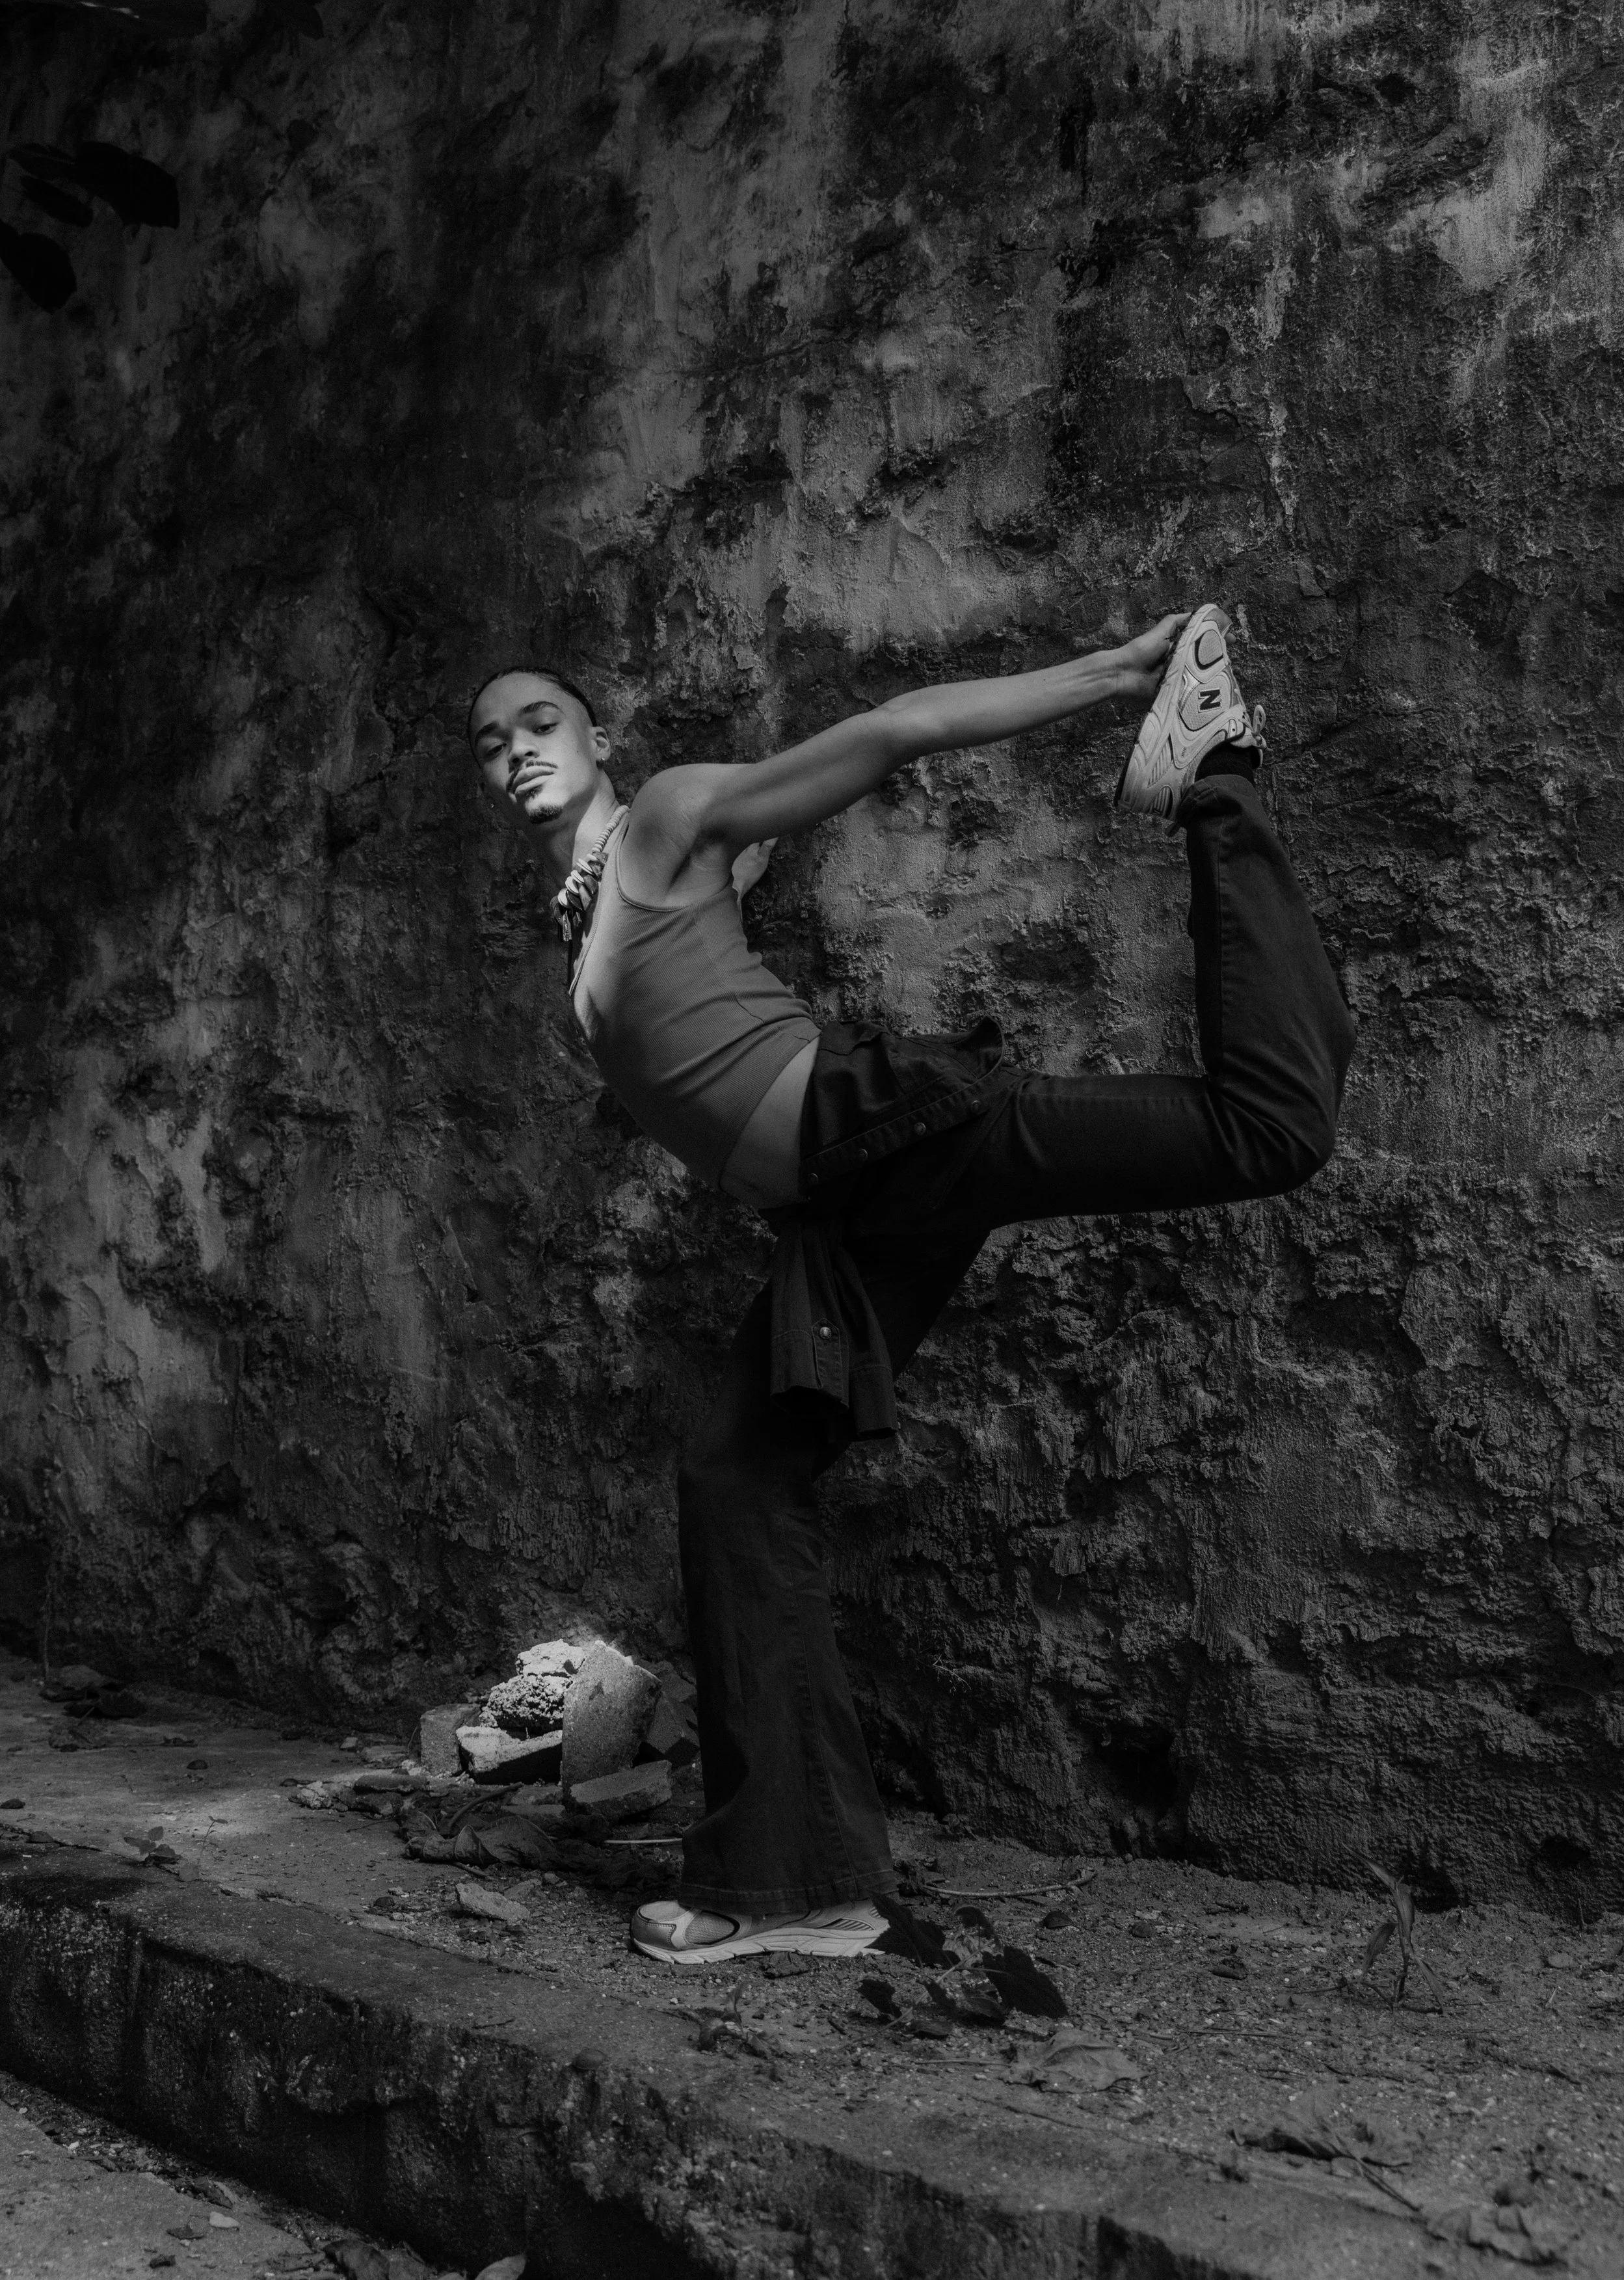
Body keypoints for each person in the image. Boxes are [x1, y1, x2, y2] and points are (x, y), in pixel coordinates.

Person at [466, 607, 1355, 1966]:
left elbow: (893, 733)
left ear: (599, 738)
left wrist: (1115, 674)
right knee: (736, 1476)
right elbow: (716, 925)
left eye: (541, 722)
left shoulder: (671, 819)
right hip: (842, 1214)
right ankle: (806, 1884)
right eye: (492, 742)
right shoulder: (595, 909)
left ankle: (1216, 768)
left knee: (1266, 1129)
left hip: (888, 1137)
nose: (519, 750)